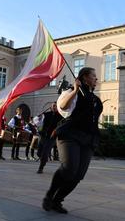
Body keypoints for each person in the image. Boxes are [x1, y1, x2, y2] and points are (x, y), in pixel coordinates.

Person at [42, 67, 103, 214]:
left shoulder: (95, 99)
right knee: (69, 169)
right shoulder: (70, 92)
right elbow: (62, 106)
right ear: (84, 77)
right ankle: (50, 195)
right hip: (70, 135)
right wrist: (75, 90)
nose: (96, 78)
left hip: (88, 139)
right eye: (94, 75)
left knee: (79, 174)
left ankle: (57, 201)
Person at [36, 102, 63, 174]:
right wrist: (38, 118)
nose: (54, 107)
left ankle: (41, 167)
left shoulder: (60, 117)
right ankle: (43, 159)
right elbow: (37, 123)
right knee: (39, 153)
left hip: (51, 138)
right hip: (43, 136)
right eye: (53, 106)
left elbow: (61, 126)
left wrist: (56, 132)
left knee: (45, 153)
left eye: (56, 106)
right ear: (51, 107)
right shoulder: (46, 115)